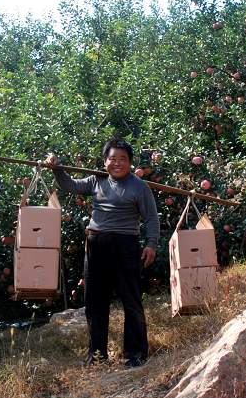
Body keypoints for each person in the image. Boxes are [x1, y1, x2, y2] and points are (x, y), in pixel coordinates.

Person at [44, 139, 159, 367]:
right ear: (105, 161)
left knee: (131, 300)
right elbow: (70, 186)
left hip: (126, 246)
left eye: (122, 159)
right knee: (95, 301)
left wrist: (151, 244)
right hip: (96, 244)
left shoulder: (139, 187)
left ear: (130, 162)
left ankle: (135, 354)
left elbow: (152, 219)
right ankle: (97, 355)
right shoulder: (96, 180)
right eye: (112, 159)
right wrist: (57, 168)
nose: (117, 163)